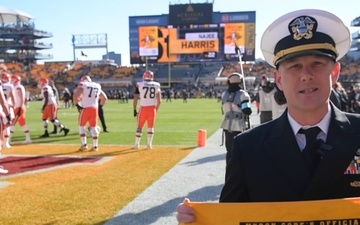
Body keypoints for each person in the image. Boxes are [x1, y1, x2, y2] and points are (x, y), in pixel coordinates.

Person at [177, 9, 355, 223]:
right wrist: (201, 221)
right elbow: (231, 218)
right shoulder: (248, 147)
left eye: (317, 64)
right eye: (295, 66)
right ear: (278, 79)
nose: (306, 75)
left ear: (334, 73)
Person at [220, 73, 252, 167]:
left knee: (229, 152)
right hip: (240, 126)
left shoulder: (224, 94)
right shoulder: (243, 94)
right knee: (241, 152)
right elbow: (247, 111)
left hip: (227, 125)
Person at [72, 76, 107, 151]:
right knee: (94, 127)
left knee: (81, 126)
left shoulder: (83, 85)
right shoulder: (97, 85)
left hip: (85, 108)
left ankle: (84, 145)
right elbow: (104, 98)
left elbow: (75, 95)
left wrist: (77, 105)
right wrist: (99, 107)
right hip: (95, 109)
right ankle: (95, 146)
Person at [133, 70, 162, 150]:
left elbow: (135, 98)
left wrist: (134, 109)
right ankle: (149, 145)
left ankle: (136, 144)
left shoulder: (139, 84)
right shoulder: (157, 85)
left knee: (139, 126)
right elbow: (159, 101)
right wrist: (156, 110)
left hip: (143, 108)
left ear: (144, 76)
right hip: (152, 108)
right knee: (151, 127)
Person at [10, 75, 32, 144]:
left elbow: (22, 98)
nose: (12, 80)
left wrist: (20, 107)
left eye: (13, 79)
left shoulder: (19, 87)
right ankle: (28, 139)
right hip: (18, 107)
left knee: (12, 123)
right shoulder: (15, 86)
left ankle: (8, 139)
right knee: (23, 123)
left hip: (19, 107)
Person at [1, 72, 15, 148]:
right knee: (8, 125)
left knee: (2, 125)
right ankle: (6, 143)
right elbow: (13, 98)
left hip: (1, 107)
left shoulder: (1, 85)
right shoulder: (10, 86)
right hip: (7, 106)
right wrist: (14, 106)